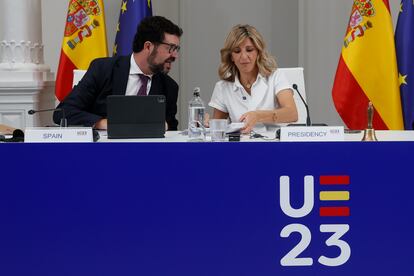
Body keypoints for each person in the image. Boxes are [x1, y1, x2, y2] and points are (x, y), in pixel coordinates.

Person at [53, 16, 183, 130]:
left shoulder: (169, 87)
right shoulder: (103, 69)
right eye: (170, 48)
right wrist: (103, 123)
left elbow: (171, 127)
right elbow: (63, 112)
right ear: (148, 46)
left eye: (176, 49)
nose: (175, 56)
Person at [208, 24, 298, 133]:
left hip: (274, 146)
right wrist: (208, 124)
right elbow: (217, 129)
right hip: (241, 148)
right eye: (237, 51)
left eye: (249, 50)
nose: (244, 57)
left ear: (258, 52)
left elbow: (292, 113)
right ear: (231, 56)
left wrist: (258, 116)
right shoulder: (222, 87)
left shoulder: (275, 76)